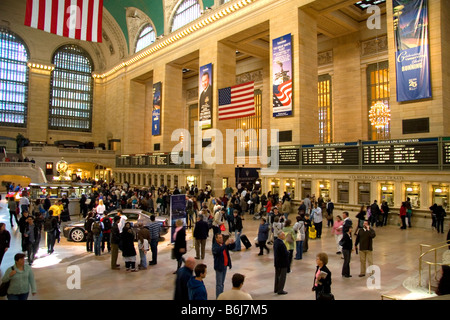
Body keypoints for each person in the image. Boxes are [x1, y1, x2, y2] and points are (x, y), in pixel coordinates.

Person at [212, 233, 235, 298]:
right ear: (216, 238)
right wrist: (225, 244)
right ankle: (218, 297)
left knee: (222, 283)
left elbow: (231, 248)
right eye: (219, 238)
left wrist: (233, 243)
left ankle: (221, 296)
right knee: (219, 284)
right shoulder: (215, 246)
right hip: (219, 266)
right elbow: (218, 251)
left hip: (224, 265)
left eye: (222, 237)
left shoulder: (223, 244)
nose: (221, 239)